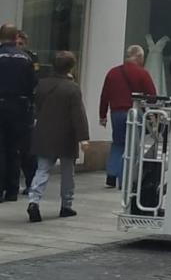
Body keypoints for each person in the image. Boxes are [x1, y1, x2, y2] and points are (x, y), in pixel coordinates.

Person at [26, 51, 89, 222]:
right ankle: (66, 205)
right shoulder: (72, 88)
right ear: (71, 67)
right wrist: (83, 137)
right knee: (68, 172)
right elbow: (78, 115)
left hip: (45, 132)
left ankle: (34, 200)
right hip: (66, 134)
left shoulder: (42, 84)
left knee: (42, 169)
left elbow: (37, 106)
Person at [99, 45, 156, 188]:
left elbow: (105, 94)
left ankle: (111, 175)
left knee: (118, 143)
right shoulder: (142, 74)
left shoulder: (112, 72)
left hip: (116, 113)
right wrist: (153, 113)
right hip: (134, 113)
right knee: (132, 146)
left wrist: (102, 115)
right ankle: (125, 178)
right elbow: (152, 96)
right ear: (138, 56)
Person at [0, 23, 37, 202]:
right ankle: (13, 190)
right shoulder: (25, 58)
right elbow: (32, 85)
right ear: (16, 38)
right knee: (14, 148)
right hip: (19, 107)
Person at [15, 30, 38, 195]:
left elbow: (34, 81)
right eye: (16, 43)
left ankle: (31, 182)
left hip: (25, 109)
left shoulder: (30, 58)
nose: (18, 47)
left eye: (21, 44)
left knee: (26, 150)